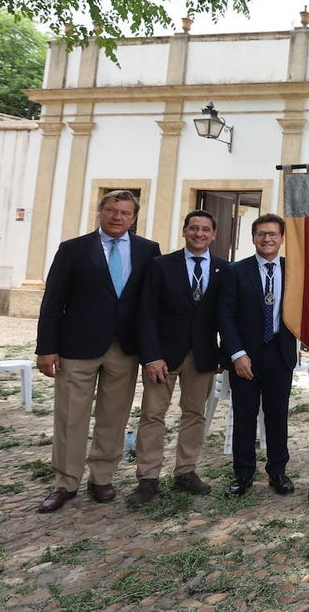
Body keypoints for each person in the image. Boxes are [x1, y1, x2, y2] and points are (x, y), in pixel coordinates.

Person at [35, 191, 161, 512]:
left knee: (113, 417)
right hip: (77, 347)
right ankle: (66, 482)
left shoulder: (149, 251)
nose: (118, 217)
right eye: (111, 210)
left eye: (125, 212)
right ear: (100, 212)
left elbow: (149, 305)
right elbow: (53, 301)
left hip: (125, 349)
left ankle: (101, 478)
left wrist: (151, 350)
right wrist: (46, 348)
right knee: (70, 417)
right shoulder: (73, 249)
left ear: (134, 217)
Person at [127, 210, 229, 505]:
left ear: (214, 235)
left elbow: (226, 316)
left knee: (195, 415)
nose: (199, 233)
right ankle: (147, 478)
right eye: (194, 228)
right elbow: (145, 313)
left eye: (205, 229)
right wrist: (151, 356)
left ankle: (186, 471)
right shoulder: (160, 266)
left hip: (203, 357)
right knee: (153, 414)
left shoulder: (224, 269)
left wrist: (223, 354)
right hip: (163, 357)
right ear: (184, 231)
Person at [217, 213, 298, 496]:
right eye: (262, 234)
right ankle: (243, 473)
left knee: (277, 415)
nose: (267, 239)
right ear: (253, 238)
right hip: (246, 356)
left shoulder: (294, 270)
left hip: (280, 352)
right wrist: (237, 354)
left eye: (273, 234)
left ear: (282, 238)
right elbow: (225, 316)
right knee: (245, 415)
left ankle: (278, 471)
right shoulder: (235, 271)